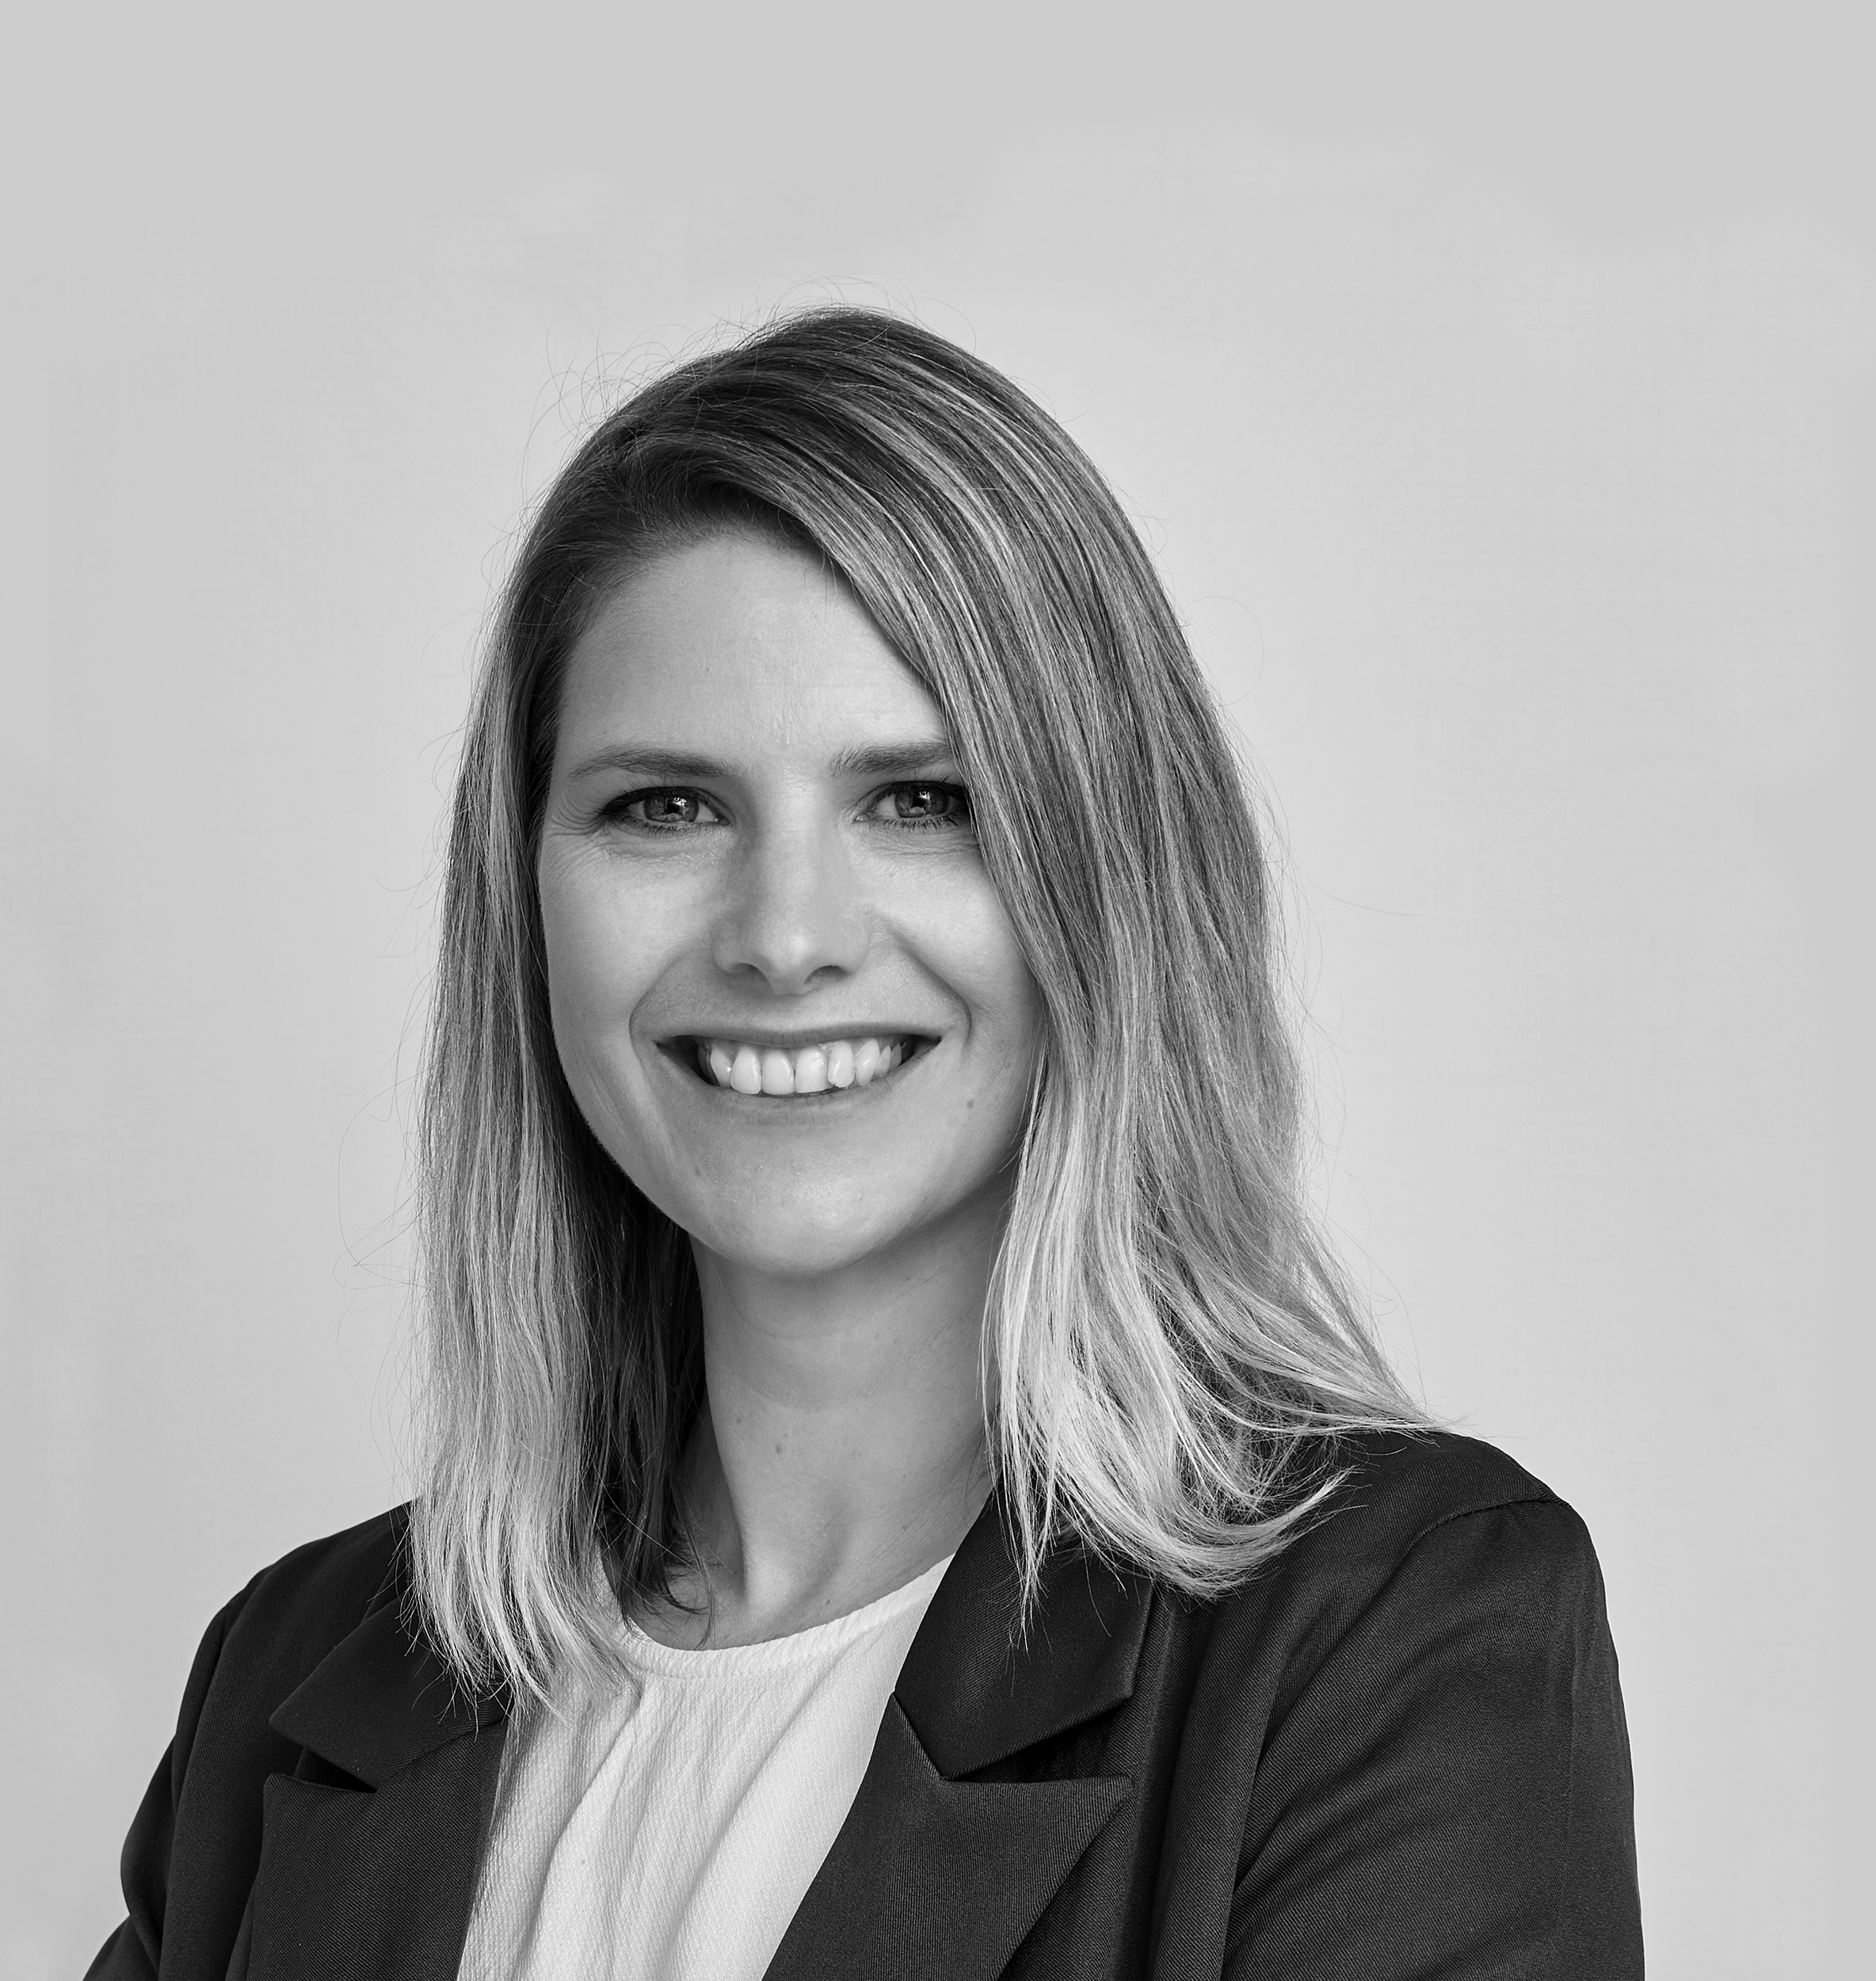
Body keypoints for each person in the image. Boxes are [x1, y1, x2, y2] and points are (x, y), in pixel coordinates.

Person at [86, 308, 1642, 1980]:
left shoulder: (1388, 1633)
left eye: (920, 800)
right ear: (524, 895)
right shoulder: (290, 1674)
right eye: (662, 805)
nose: (783, 934)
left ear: (1102, 879)